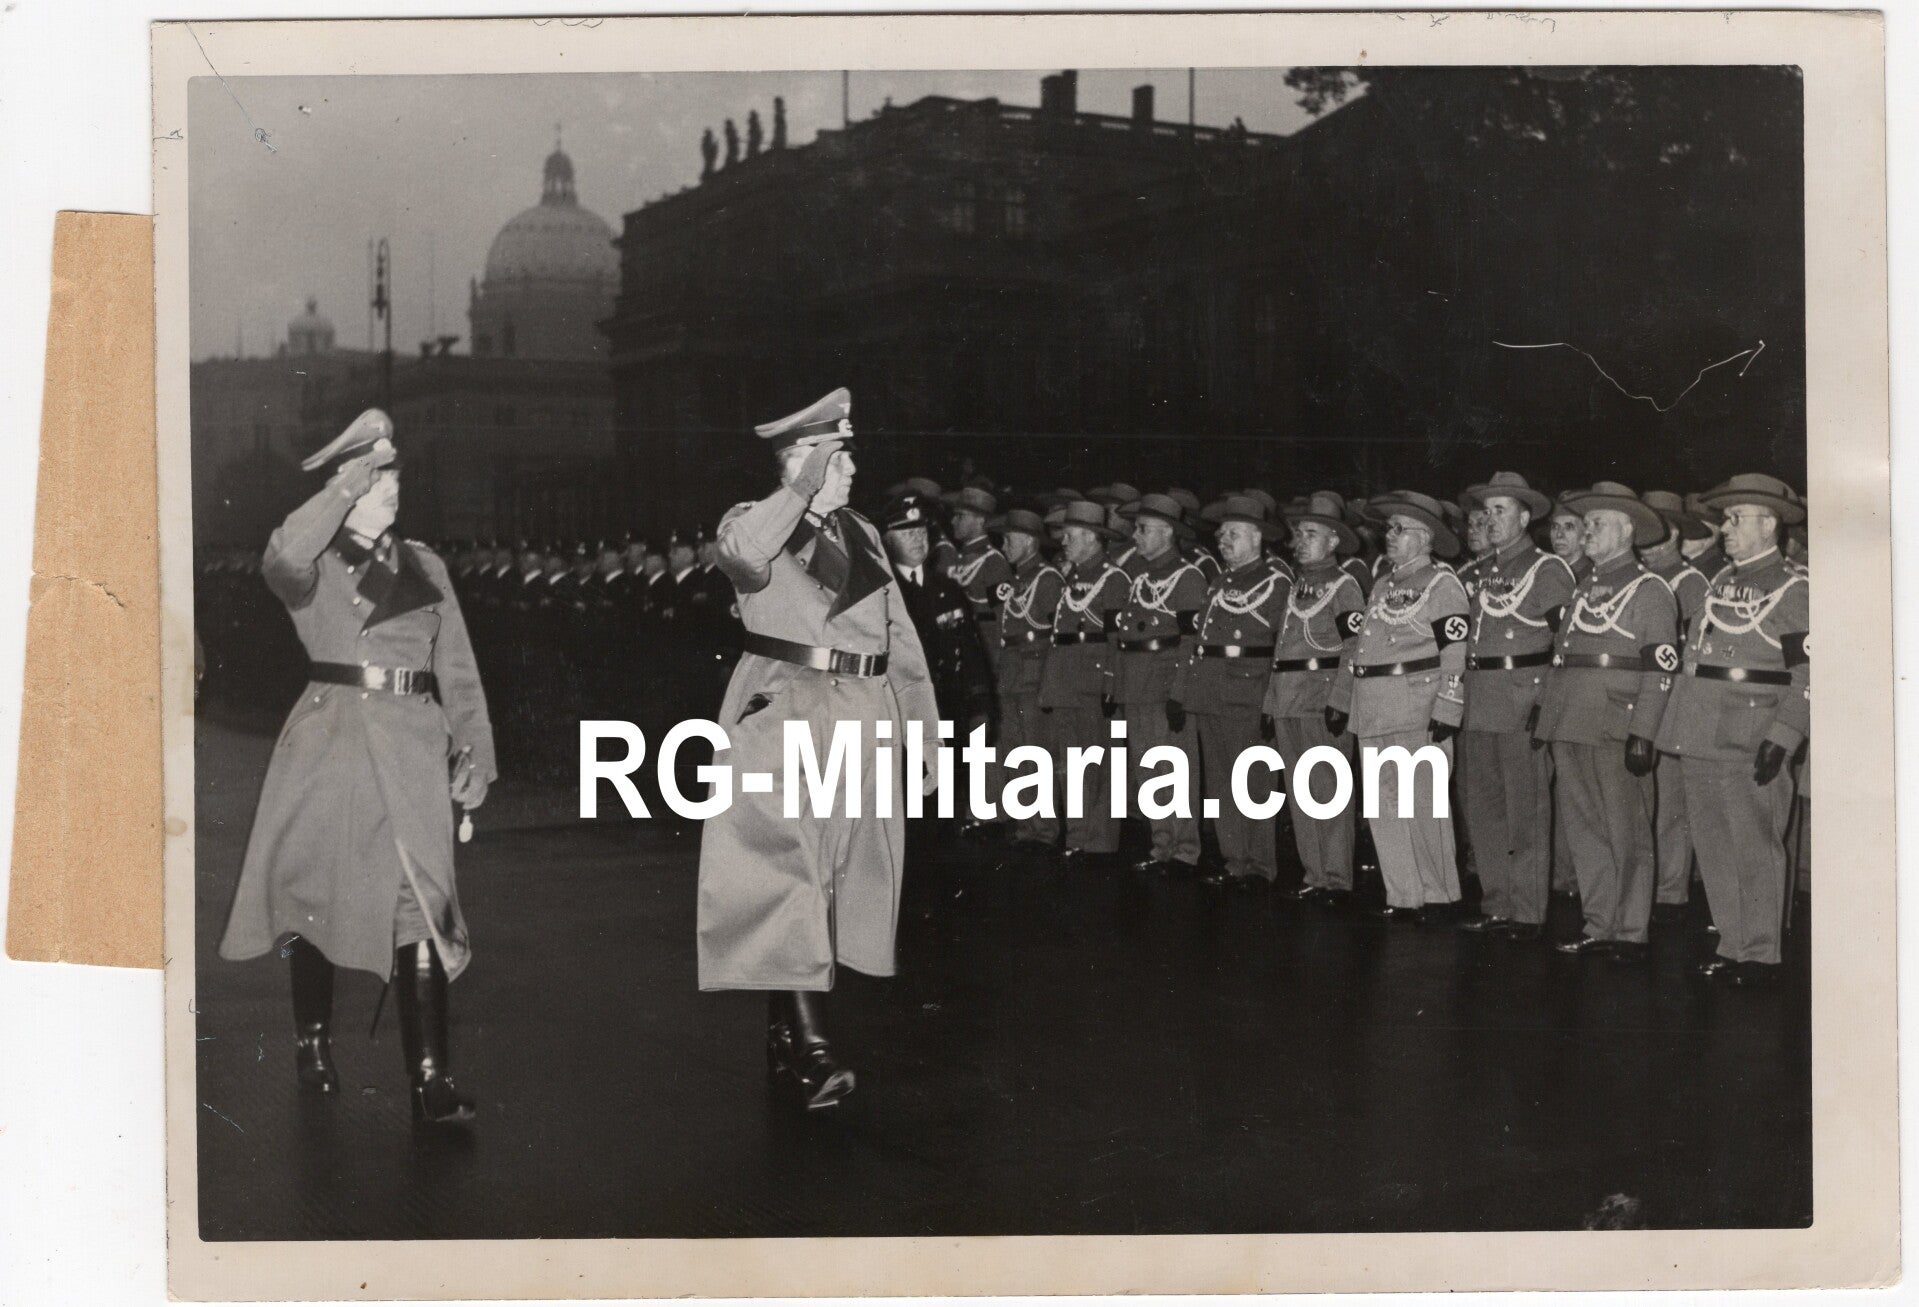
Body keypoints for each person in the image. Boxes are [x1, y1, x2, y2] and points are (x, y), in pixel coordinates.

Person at [218, 409, 496, 1126]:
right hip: (334, 743)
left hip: (413, 746)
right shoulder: (312, 563)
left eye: (394, 473)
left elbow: (458, 669)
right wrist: (340, 491)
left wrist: (476, 754)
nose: (392, 486)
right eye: (376, 476)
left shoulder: (425, 565)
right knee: (316, 897)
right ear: (347, 483)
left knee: (421, 900)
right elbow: (281, 556)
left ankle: (430, 1079)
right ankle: (312, 1040)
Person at [697, 388, 938, 1109]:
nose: (852, 468)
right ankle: (811, 1047)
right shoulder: (750, 522)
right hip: (787, 717)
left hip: (862, 720)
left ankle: (784, 1034)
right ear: (799, 461)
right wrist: (798, 490)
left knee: (826, 881)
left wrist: (922, 735)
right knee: (791, 872)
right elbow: (741, 557)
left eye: (849, 454)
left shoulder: (861, 532)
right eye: (837, 456)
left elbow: (899, 641)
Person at [1654, 474, 1809, 986]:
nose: (1725, 528)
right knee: (1714, 845)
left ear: (1768, 524)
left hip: (1751, 735)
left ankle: (1761, 954)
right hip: (1701, 729)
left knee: (1754, 845)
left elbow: (1811, 673)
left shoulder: (1794, 589)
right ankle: (1733, 942)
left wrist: (1785, 734)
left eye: (1736, 519)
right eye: (1726, 519)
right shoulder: (1721, 581)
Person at [1534, 483, 1679, 962]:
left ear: (1627, 531)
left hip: (1616, 723)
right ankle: (1599, 923)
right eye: (1587, 523)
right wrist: (1546, 714)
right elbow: (1563, 655)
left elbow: (1660, 668)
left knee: (1626, 830)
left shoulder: (1650, 590)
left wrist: (1644, 732)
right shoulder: (1585, 586)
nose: (1587, 532)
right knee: (1585, 830)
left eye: (1598, 524)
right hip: (1571, 720)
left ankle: (1631, 930)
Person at [1328, 491, 1470, 924]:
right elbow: (1363, 648)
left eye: (1399, 529)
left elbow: (1454, 652)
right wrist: (1345, 699)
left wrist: (1448, 706)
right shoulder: (1383, 585)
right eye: (1388, 528)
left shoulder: (1442, 584)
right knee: (1384, 803)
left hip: (1415, 705)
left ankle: (1439, 895)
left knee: (1422, 803)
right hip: (1374, 705)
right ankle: (1404, 893)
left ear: (1424, 538)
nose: (1388, 536)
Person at [1453, 473, 1575, 942]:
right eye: (1485, 512)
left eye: (1500, 510)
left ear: (1524, 518)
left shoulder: (1547, 570)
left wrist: (1547, 701)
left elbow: (1566, 643)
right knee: (1483, 808)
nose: (1490, 519)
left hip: (1522, 699)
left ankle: (1527, 911)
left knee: (1526, 810)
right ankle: (1497, 902)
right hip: (1479, 699)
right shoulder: (1482, 571)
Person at [1170, 495, 1288, 890]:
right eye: (1221, 534)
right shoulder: (1220, 582)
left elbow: (1282, 648)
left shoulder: (1275, 582)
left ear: (1256, 537)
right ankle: (1234, 859)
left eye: (1233, 534)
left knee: (1254, 781)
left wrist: (1272, 701)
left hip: (1247, 692)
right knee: (1221, 783)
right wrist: (1184, 691)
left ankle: (1259, 866)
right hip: (1210, 689)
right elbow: (1199, 642)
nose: (1223, 541)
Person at [1264, 493, 1367, 906]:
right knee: (1300, 791)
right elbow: (1281, 650)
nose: (1300, 542)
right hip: (1288, 699)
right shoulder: (1297, 586)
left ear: (1333, 541)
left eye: (1311, 534)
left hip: (1321, 700)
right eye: (1299, 534)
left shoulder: (1345, 586)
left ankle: (1337, 878)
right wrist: (1269, 704)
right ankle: (1315, 873)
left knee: (1328, 790)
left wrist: (1341, 699)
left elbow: (1354, 647)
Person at [1112, 493, 1209, 876]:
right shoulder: (1142, 578)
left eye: (1143, 529)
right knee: (1148, 771)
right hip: (1137, 685)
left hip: (1165, 685)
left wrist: (1180, 692)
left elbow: (1191, 642)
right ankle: (1161, 844)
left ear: (1167, 532)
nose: (1135, 536)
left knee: (1174, 770)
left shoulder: (1187, 577)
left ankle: (1185, 850)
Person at [1036, 500, 1130, 864]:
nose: (1063, 542)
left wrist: (1110, 682)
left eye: (1070, 535)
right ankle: (1078, 836)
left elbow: (1116, 639)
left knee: (1098, 762)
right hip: (1066, 682)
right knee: (1071, 763)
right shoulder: (1073, 579)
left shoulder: (1114, 579)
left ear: (1091, 537)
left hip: (1092, 683)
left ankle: (1100, 841)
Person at [1638, 490, 1716, 923]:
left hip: (1671, 700)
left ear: (1672, 535)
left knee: (1670, 801)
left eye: (1657, 531)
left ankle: (1670, 892)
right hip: (1637, 696)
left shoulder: (1689, 581)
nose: (1647, 540)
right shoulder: (1637, 577)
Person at [991, 508, 1065, 851]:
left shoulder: (1048, 580)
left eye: (1009, 539)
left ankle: (1045, 828)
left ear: (1030, 541)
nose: (1003, 545)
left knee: (1037, 750)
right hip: (1011, 671)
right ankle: (1026, 824)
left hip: (1034, 672)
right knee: (1016, 749)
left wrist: (1050, 680)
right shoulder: (1018, 579)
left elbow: (1057, 635)